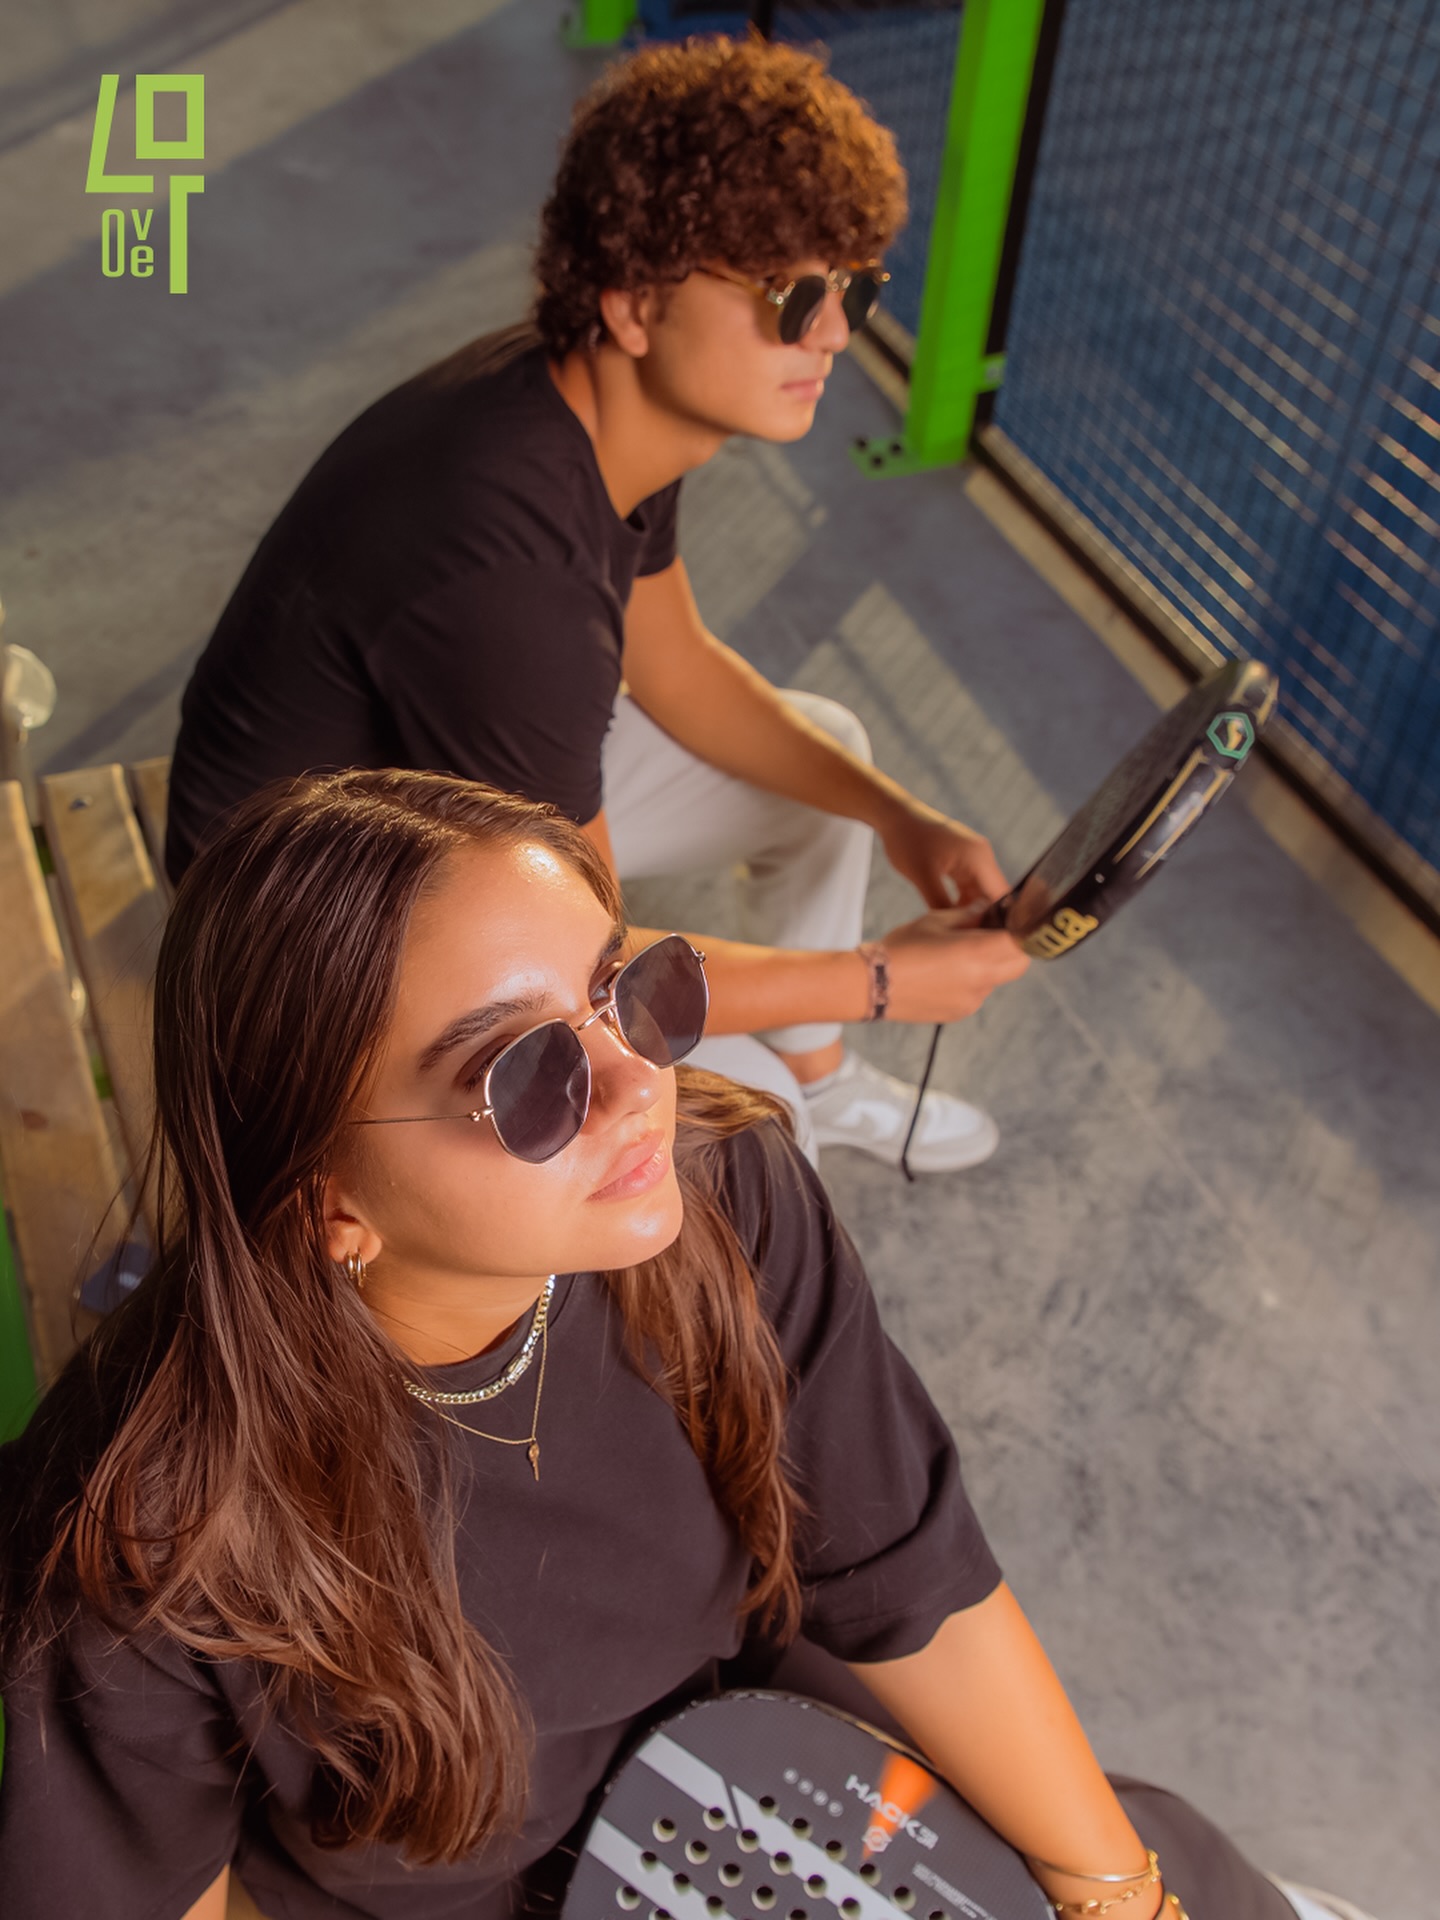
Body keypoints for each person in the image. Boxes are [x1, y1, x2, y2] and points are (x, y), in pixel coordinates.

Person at [0, 771, 1365, 1920]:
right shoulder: (140, 1538)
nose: (634, 1085)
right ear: (328, 1203)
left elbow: (908, 1585)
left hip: (752, 1736)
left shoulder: (725, 1192)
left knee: (1168, 1852)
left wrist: (1119, 1900)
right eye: (522, 1078)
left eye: (629, 988)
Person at [163, 36, 1031, 1176]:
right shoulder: (501, 558)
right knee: (746, 1118)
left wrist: (897, 816)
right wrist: (883, 979)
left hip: (405, 810)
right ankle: (798, 1093)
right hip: (293, 935)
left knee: (828, 762)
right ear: (632, 304)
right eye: (795, 299)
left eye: (853, 291)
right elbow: (602, 967)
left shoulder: (606, 421)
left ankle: (821, 1060)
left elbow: (674, 666)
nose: (832, 335)